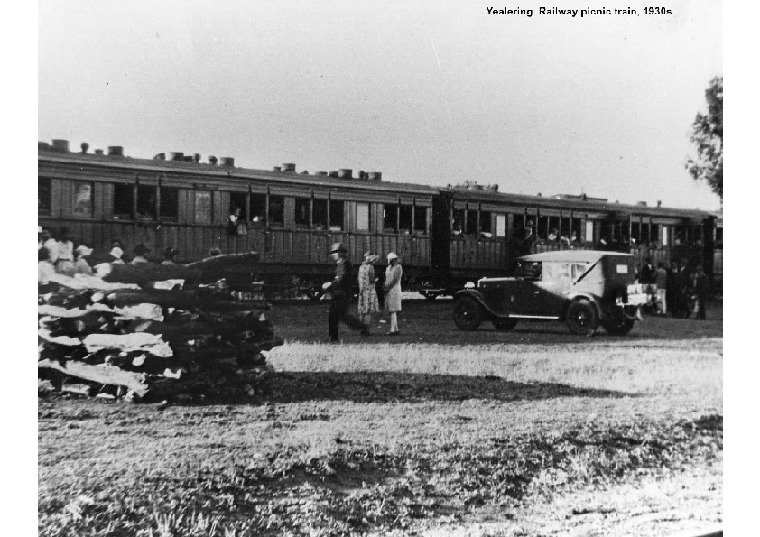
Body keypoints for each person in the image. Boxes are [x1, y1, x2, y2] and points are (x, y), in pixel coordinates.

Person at [322, 242, 369, 342]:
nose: (333, 254)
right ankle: (334, 337)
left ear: (340, 253)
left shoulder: (344, 264)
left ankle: (361, 327)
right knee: (340, 315)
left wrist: (329, 284)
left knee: (337, 315)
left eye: (334, 252)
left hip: (342, 294)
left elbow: (341, 279)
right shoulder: (342, 263)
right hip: (341, 293)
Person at [357, 252, 380, 326]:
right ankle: (366, 328)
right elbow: (372, 280)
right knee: (368, 311)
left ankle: (360, 326)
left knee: (362, 310)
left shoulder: (361, 267)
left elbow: (358, 278)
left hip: (361, 290)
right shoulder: (371, 267)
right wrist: (377, 279)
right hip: (369, 291)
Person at [384, 252, 403, 335]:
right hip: (389, 289)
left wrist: (388, 287)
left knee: (393, 310)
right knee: (391, 310)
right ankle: (396, 329)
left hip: (394, 289)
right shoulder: (388, 268)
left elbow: (396, 279)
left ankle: (392, 330)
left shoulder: (398, 267)